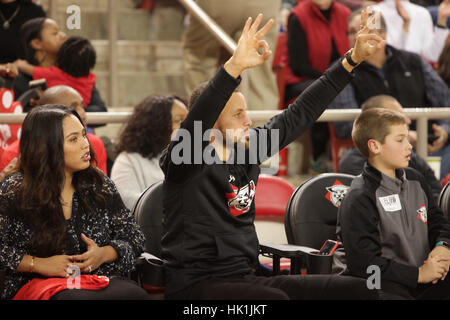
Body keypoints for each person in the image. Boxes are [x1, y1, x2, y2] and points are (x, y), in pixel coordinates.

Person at [160, 13, 385, 300]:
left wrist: (351, 60)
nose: (247, 121)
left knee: (361, 288)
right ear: (211, 122)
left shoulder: (248, 148)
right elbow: (197, 121)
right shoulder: (185, 158)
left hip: (246, 276)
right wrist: (234, 68)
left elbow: (300, 113)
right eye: (238, 114)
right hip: (195, 286)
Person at [0, 104, 148, 300]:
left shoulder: (97, 183)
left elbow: (134, 237)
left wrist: (104, 254)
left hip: (95, 279)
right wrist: (38, 264)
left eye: (83, 135)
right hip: (37, 284)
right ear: (46, 146)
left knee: (134, 294)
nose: (85, 144)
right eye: (74, 139)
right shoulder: (15, 189)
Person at [337, 107, 450, 299]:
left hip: (423, 280)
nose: (409, 146)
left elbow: (438, 222)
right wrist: (418, 274)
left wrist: (443, 246)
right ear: (375, 147)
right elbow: (365, 264)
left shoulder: (416, 179)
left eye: (407, 138)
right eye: (400, 140)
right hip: (384, 285)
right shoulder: (360, 197)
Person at [329, 10, 450, 179]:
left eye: (365, 30)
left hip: (432, 146)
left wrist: (444, 130)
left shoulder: (413, 61)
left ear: (383, 34)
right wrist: (399, 136)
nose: (358, 37)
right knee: (353, 163)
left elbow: (446, 100)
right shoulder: (343, 69)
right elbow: (346, 126)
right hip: (378, 150)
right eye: (352, 32)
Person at [283, 0, 351, 170]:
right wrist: (331, 79)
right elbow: (299, 66)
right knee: (322, 92)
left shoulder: (345, 13)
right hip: (302, 80)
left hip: (339, 79)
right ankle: (318, 157)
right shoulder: (298, 15)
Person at [338, 94, 442, 202]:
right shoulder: (353, 163)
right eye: (398, 116)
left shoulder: (412, 162)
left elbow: (436, 196)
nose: (408, 121)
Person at [182, 0, 281, 111]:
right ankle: (262, 125)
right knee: (259, 67)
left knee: (199, 58)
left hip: (219, 4)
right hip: (265, 4)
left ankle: (204, 119)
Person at [0, 85, 108, 178]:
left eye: (82, 106)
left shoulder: (95, 144)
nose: (83, 114)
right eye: (72, 108)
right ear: (46, 115)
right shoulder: (13, 153)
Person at [13, 17, 106, 115]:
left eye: (61, 31)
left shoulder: (75, 71)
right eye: (55, 33)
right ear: (37, 43)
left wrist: (65, 108)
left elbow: (101, 111)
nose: (63, 36)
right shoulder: (19, 79)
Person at [111, 94, 188, 210]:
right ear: (157, 125)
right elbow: (128, 204)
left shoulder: (194, 156)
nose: (187, 126)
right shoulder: (127, 161)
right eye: (179, 121)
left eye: (189, 119)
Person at [17, 35, 98, 109]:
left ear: (62, 56)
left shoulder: (54, 74)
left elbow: (23, 67)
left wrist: (21, 63)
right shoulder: (91, 79)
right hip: (82, 121)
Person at [375, 0, 449, 63]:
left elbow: (432, 55)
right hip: (385, 74)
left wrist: (441, 21)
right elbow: (391, 56)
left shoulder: (422, 13)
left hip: (416, 74)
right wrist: (405, 25)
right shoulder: (373, 12)